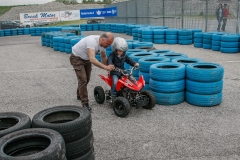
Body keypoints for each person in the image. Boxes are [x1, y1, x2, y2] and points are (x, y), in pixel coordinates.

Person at [70, 32, 115, 111]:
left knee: (86, 79)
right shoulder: (91, 41)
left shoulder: (103, 44)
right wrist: (105, 67)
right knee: (83, 79)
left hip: (86, 59)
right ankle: (85, 103)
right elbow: (92, 59)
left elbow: (104, 56)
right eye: (108, 44)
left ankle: (79, 95)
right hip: (76, 58)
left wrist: (107, 69)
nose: (108, 46)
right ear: (102, 39)